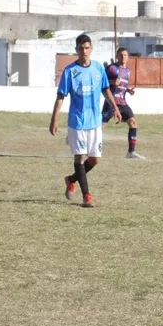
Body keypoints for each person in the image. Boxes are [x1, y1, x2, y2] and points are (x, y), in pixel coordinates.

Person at [51, 34, 121, 208]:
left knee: (95, 159)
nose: (84, 51)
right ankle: (86, 196)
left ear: (91, 49)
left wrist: (115, 108)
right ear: (76, 49)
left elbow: (106, 90)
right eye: (81, 48)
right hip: (78, 121)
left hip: (95, 121)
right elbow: (60, 97)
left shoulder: (98, 68)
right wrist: (54, 119)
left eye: (87, 48)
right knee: (80, 157)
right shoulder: (70, 71)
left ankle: (71, 179)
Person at [103, 47, 143, 160]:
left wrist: (128, 90)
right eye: (120, 55)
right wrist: (111, 82)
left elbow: (122, 85)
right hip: (111, 102)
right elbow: (101, 82)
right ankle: (86, 146)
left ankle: (131, 152)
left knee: (133, 123)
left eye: (125, 55)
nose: (123, 57)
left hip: (122, 102)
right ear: (117, 56)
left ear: (128, 57)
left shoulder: (128, 71)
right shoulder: (110, 68)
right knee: (100, 126)